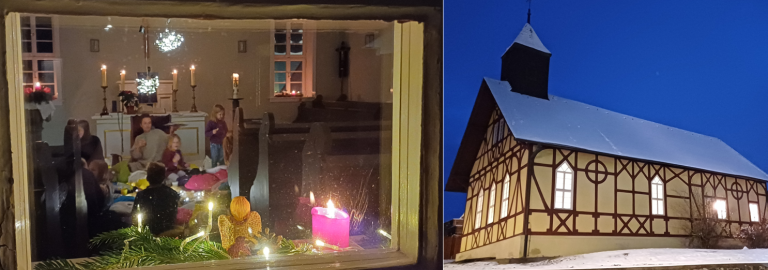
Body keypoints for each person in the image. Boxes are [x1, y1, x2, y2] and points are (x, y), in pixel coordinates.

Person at [131, 162, 180, 235]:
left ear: (147, 177)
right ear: (163, 177)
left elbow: (134, 217)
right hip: (168, 232)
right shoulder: (173, 194)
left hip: (147, 232)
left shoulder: (141, 195)